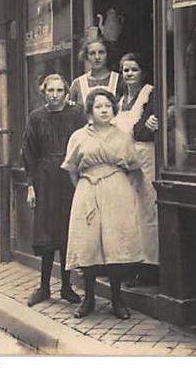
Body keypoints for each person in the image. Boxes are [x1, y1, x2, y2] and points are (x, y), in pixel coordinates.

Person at [61, 88, 144, 320]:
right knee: (88, 244)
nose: (104, 110)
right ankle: (89, 298)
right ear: (90, 111)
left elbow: (134, 168)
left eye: (108, 106)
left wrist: (120, 187)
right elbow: (71, 169)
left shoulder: (123, 136)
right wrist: (84, 188)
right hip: (88, 190)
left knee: (114, 244)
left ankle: (117, 299)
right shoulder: (78, 137)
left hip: (117, 191)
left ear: (114, 109)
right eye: (99, 106)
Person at [22, 73, 86, 307]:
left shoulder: (77, 114)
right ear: (44, 92)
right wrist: (31, 186)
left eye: (60, 90)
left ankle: (67, 287)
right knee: (47, 233)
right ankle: (45, 287)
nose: (55, 95)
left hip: (70, 177)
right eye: (51, 90)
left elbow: (84, 143)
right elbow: (28, 152)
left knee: (67, 231)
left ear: (66, 92)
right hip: (46, 179)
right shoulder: (36, 117)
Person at [115, 53, 159, 286]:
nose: (129, 74)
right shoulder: (120, 100)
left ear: (142, 72)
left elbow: (145, 130)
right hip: (125, 162)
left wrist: (148, 126)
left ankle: (150, 267)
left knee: (147, 212)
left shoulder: (150, 94)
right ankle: (131, 265)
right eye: (125, 70)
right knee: (129, 214)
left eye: (134, 69)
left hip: (145, 159)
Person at [68, 36, 121, 108]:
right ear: (86, 56)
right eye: (92, 53)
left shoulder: (119, 80)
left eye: (101, 52)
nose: (97, 57)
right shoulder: (78, 84)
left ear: (107, 54)